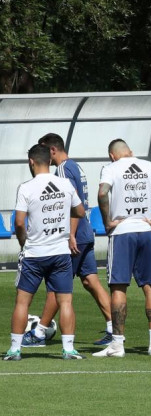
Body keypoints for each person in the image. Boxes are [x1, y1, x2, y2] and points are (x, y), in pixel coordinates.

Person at [22, 134, 113, 347]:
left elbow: (71, 205)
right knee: (90, 281)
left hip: (74, 237)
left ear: (52, 150)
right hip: (85, 233)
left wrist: (70, 235)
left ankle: (40, 333)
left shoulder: (62, 170)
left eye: (45, 151)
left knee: (57, 285)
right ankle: (114, 328)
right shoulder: (76, 167)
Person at [93, 139, 151, 357]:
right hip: (145, 229)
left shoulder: (111, 168)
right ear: (131, 151)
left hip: (122, 232)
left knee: (119, 287)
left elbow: (102, 193)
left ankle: (118, 345)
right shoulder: (150, 166)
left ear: (112, 155)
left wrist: (107, 222)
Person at [5, 144, 86, 361]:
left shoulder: (26, 187)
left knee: (23, 302)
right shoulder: (65, 184)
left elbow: (19, 222)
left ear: (31, 162)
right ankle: (68, 349)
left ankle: (15, 350)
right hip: (60, 252)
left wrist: (24, 242)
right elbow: (80, 211)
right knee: (65, 302)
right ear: (49, 161)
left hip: (33, 253)